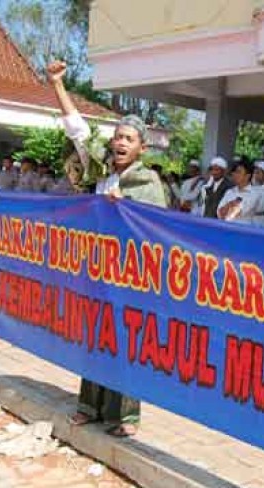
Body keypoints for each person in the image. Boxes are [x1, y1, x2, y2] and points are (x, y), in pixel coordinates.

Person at [49, 60, 166, 437]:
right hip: (96, 271)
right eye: (117, 137)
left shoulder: (147, 182)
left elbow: (155, 229)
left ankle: (123, 417)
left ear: (141, 148)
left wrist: (125, 209)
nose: (119, 142)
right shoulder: (102, 172)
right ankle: (90, 406)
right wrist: (58, 84)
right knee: (94, 337)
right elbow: (78, 130)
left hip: (129, 278)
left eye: (128, 139)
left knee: (124, 343)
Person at [217, 159, 264, 225]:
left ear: (247, 176)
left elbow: (232, 214)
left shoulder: (254, 194)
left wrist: (227, 206)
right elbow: (219, 214)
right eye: (234, 171)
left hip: (242, 232)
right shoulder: (229, 192)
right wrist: (230, 204)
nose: (234, 174)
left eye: (238, 172)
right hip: (226, 229)